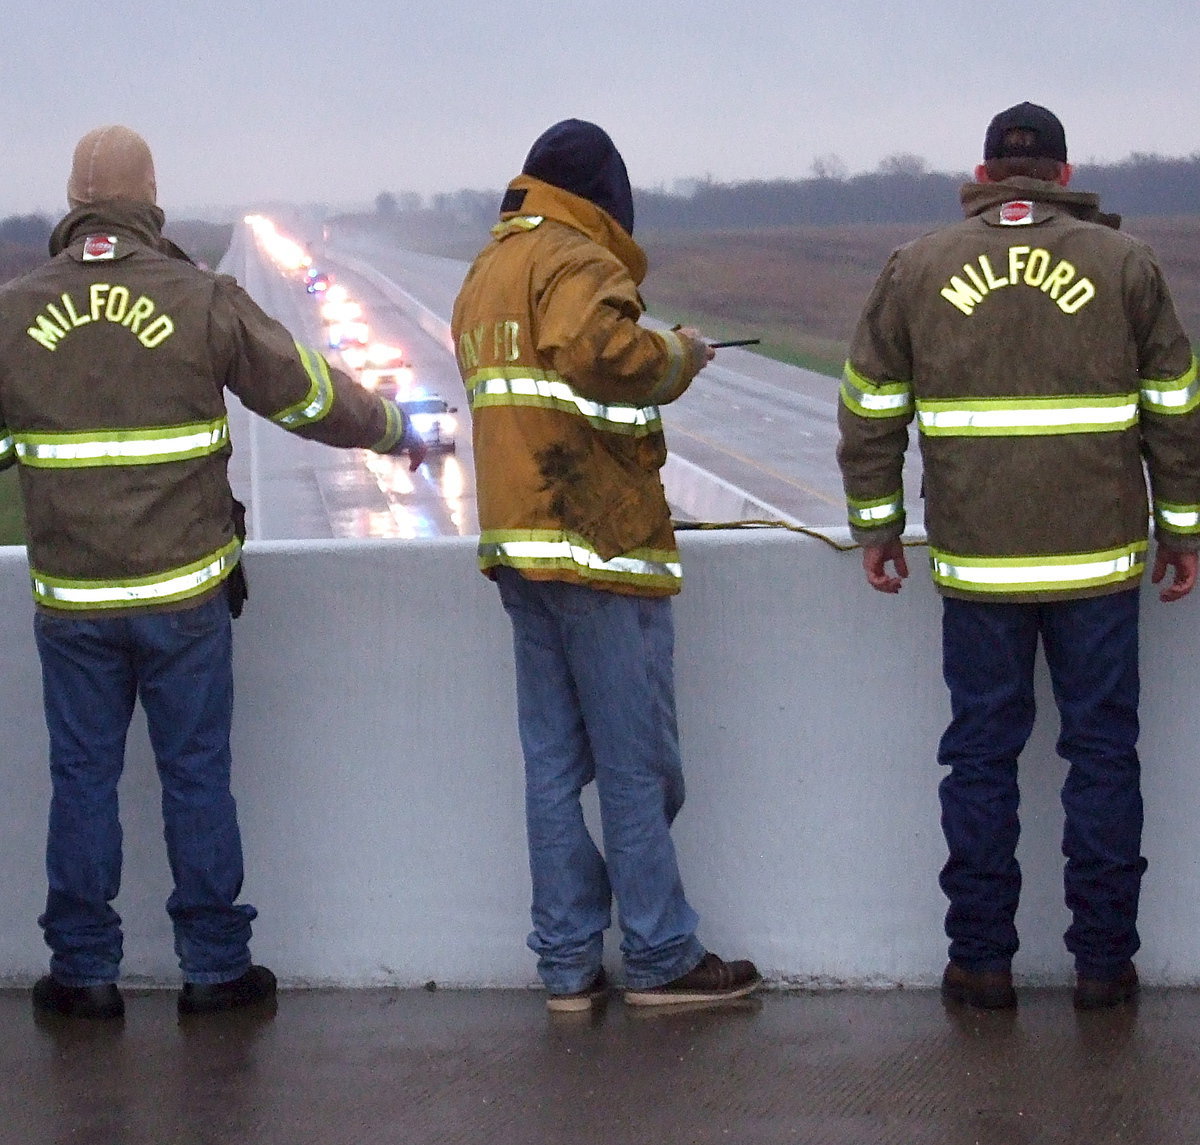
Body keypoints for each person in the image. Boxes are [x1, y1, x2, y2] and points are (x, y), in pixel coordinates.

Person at [0, 126, 426, 1020]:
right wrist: (393, 427)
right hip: (186, 598)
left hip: (73, 605)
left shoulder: (14, 314)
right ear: (150, 200)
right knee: (196, 775)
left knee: (81, 780)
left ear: (73, 202)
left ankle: (82, 975)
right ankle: (215, 970)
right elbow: (305, 395)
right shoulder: (199, 299)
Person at [837, 102, 1200, 1011]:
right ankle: (1106, 967)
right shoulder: (1127, 265)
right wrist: (1183, 530)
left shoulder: (917, 267)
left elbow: (871, 409)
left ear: (986, 174)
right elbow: (1176, 409)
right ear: (1066, 178)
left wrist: (877, 528)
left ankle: (981, 962)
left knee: (980, 762)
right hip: (1099, 567)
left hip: (979, 566)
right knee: (1105, 759)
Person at [451, 119, 760, 1011]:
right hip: (598, 541)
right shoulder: (579, 259)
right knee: (641, 767)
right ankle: (662, 952)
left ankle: (567, 961)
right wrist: (679, 353)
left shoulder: (486, 270)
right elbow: (600, 352)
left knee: (552, 765)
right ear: (604, 195)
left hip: (520, 543)